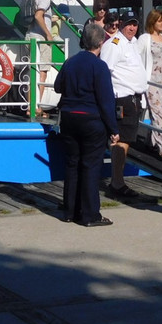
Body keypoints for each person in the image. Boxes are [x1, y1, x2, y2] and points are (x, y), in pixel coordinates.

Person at [53, 23, 119, 227]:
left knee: (72, 164)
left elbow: (57, 87)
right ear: (100, 42)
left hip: (69, 117)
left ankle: (70, 211)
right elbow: (106, 101)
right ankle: (90, 214)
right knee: (90, 166)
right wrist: (113, 130)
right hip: (91, 119)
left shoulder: (70, 62)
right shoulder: (99, 66)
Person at [100, 10, 147, 199]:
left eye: (135, 24)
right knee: (121, 140)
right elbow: (105, 72)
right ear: (120, 24)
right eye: (129, 24)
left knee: (126, 140)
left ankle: (117, 180)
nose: (132, 28)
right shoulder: (114, 44)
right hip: (122, 97)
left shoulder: (133, 43)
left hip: (134, 98)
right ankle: (117, 183)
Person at [136, 9, 162, 157]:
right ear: (152, 22)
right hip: (152, 81)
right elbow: (136, 57)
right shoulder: (144, 38)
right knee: (157, 111)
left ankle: (150, 141)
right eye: (159, 21)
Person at [26, 0, 57, 111]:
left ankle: (31, 105)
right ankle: (35, 106)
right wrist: (48, 35)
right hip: (40, 40)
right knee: (42, 71)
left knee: (34, 71)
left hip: (32, 36)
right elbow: (39, 16)